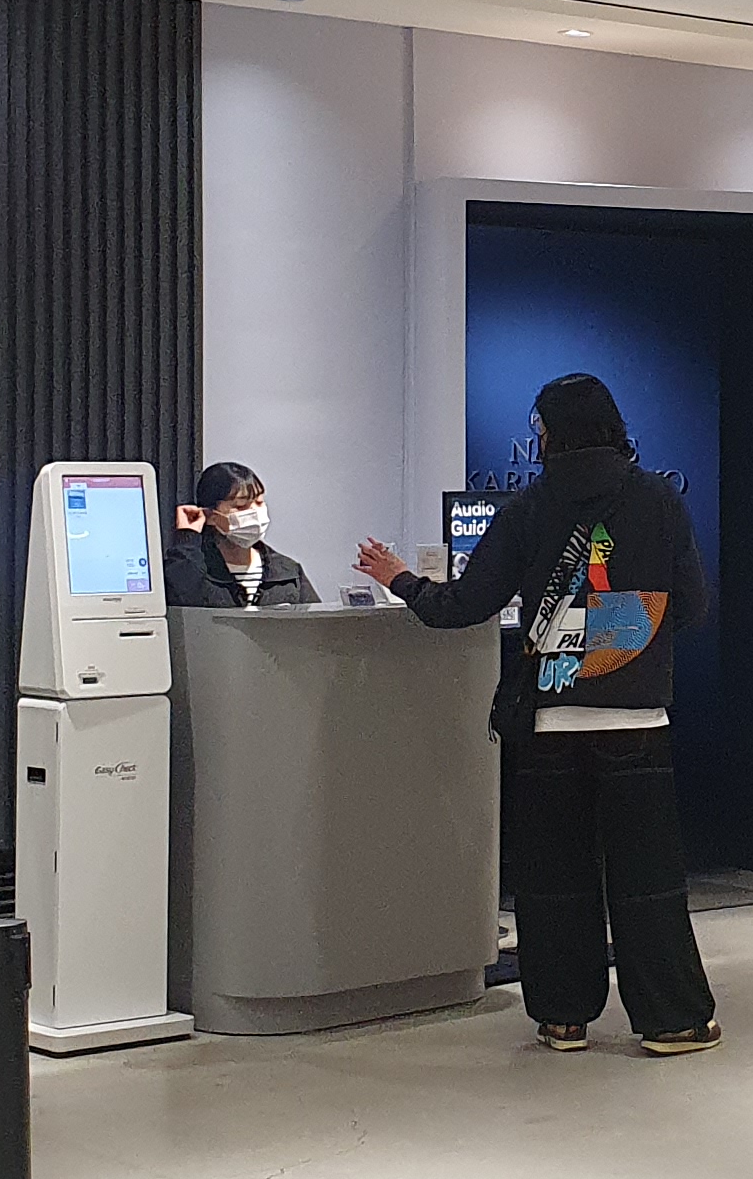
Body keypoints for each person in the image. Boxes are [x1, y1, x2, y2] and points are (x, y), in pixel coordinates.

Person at [355, 375, 718, 1057]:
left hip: (550, 727)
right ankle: (672, 1020)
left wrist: (398, 576)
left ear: (549, 435)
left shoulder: (529, 508)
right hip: (637, 723)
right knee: (648, 883)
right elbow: (692, 606)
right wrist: (622, 643)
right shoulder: (659, 499)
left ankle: (563, 1017)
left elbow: (462, 606)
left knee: (555, 881)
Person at [164, 461, 321, 608]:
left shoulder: (289, 572)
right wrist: (188, 536)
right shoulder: (191, 569)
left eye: (259, 502)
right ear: (211, 515)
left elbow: (317, 622)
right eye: (241, 505)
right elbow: (180, 600)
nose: (254, 512)